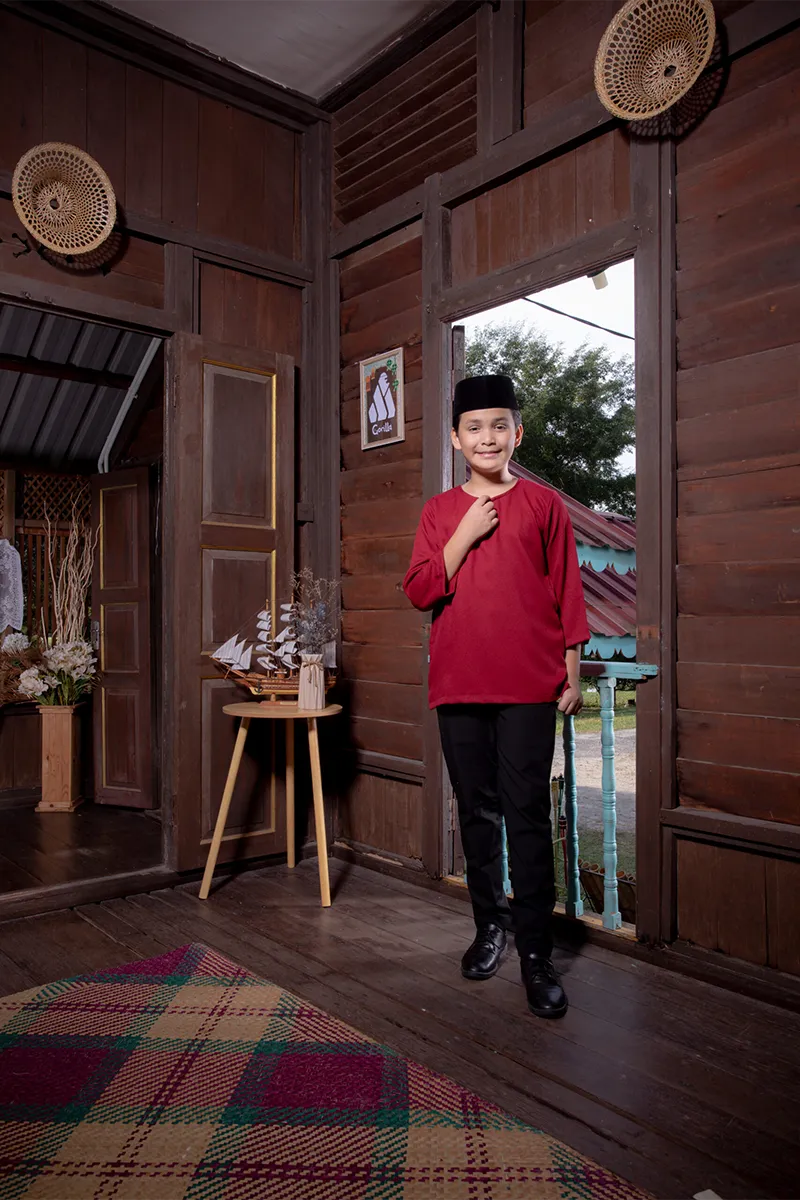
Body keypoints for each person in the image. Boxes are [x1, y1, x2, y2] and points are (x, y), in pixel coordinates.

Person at [403, 374, 590, 1019]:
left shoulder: (544, 505)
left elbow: (567, 590)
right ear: (457, 440)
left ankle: (536, 953)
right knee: (477, 813)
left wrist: (572, 670)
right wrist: (463, 534)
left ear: (518, 434)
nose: (487, 437)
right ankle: (489, 928)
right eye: (474, 427)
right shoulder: (439, 512)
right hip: (459, 684)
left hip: (530, 686)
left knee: (527, 814)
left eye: (499, 425)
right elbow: (420, 589)